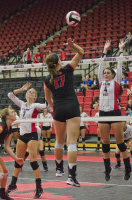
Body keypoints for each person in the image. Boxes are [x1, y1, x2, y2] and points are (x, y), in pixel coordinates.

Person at [44, 38, 84, 186]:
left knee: (59, 141)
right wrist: (72, 46)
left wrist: (54, 107)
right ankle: (71, 177)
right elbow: (81, 52)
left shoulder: (47, 79)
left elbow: (48, 98)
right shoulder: (67, 69)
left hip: (59, 108)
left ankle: (59, 169)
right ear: (59, 61)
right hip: (72, 106)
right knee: (72, 143)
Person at [97, 40, 132, 181]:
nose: (105, 74)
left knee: (120, 142)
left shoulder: (116, 82)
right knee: (105, 143)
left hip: (115, 113)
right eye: (104, 73)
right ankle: (107, 169)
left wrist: (121, 50)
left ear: (113, 74)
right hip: (103, 114)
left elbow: (119, 64)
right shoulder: (100, 82)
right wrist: (104, 51)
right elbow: (100, 66)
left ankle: (127, 167)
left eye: (108, 73)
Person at [7, 83, 48, 198]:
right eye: (29, 91)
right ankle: (13, 184)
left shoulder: (35, 105)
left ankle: (39, 187)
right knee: (18, 160)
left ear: (35, 96)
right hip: (22, 134)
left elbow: (46, 105)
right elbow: (10, 95)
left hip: (32, 134)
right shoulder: (22, 104)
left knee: (33, 161)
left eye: (33, 92)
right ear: (26, 94)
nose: (31, 92)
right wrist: (21, 89)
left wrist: (47, 91)